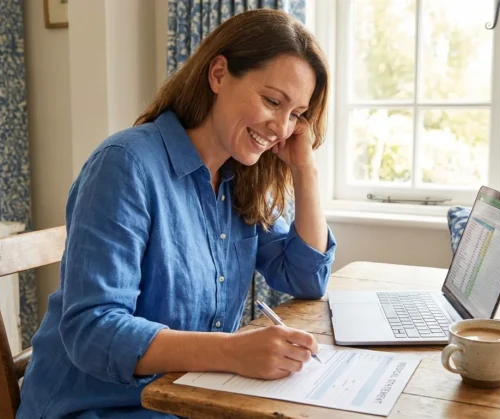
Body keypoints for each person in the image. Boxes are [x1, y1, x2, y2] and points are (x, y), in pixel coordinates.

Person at [17, 9, 336, 418]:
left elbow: (308, 278)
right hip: (97, 407)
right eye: (272, 101)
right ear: (218, 74)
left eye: (296, 115)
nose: (282, 127)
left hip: (188, 398)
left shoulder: (242, 177)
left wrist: (304, 169)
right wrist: (234, 353)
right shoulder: (126, 165)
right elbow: (91, 331)